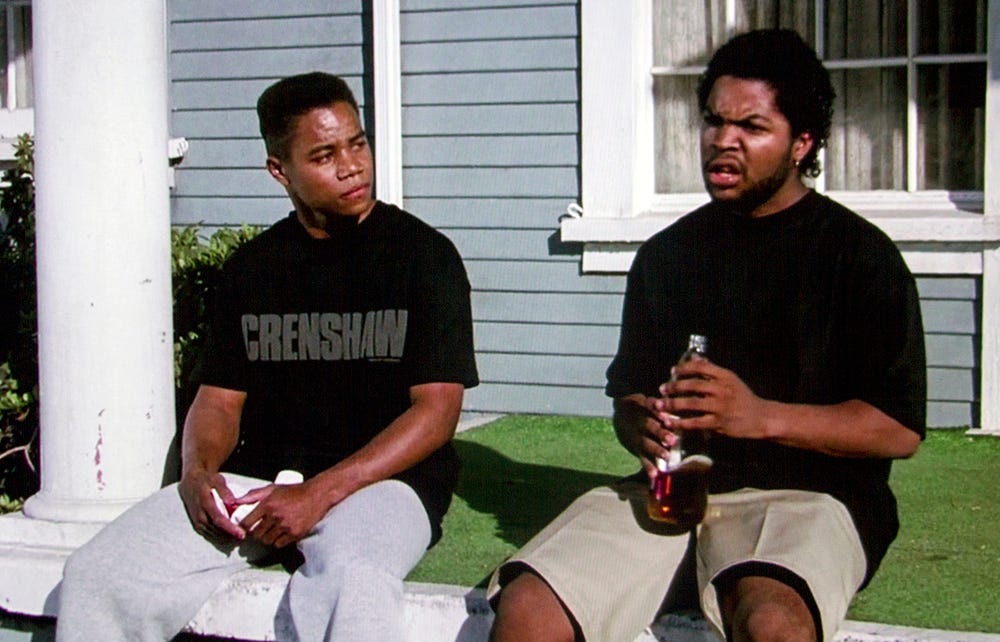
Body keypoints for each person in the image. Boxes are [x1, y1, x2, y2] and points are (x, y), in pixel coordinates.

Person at [488, 29, 925, 642]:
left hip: (809, 499)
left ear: (802, 143)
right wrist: (640, 425)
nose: (723, 140)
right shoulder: (667, 256)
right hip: (675, 494)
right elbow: (629, 398)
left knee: (772, 624)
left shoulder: (859, 258)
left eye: (752, 126)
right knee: (528, 611)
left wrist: (759, 416)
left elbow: (897, 430)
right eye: (714, 121)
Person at [57, 71, 479, 641]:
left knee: (353, 581)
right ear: (280, 170)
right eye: (325, 155)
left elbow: (437, 413)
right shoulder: (253, 269)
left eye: (357, 144)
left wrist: (319, 493)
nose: (352, 166)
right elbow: (218, 402)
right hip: (259, 481)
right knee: (99, 574)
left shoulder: (425, 257)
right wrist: (197, 473)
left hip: (385, 484)